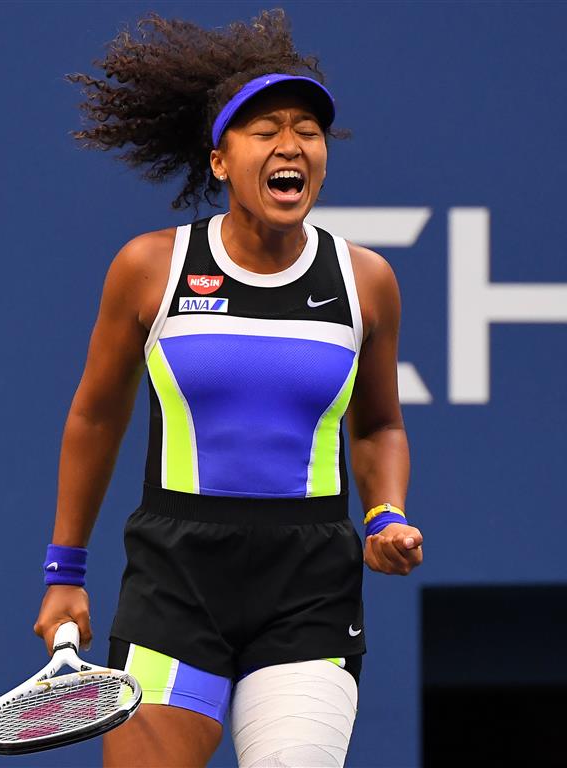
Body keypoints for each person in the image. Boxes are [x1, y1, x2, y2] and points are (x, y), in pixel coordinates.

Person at [33, 9, 424, 767]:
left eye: (307, 129)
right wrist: (64, 572)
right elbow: (94, 417)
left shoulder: (365, 280)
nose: (291, 144)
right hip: (172, 584)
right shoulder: (150, 267)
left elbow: (378, 426)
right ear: (218, 161)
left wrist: (383, 515)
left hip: (308, 587)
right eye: (264, 128)